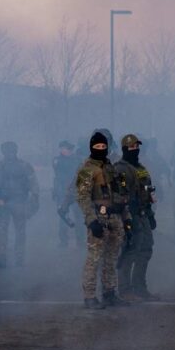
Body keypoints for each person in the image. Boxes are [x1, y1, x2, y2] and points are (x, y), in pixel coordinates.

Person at [76, 131, 131, 309]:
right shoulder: (86, 170)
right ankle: (90, 296)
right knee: (94, 258)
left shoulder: (111, 168)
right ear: (92, 148)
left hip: (115, 217)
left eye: (103, 147)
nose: (101, 149)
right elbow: (83, 197)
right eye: (97, 147)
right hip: (99, 217)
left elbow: (121, 195)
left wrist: (126, 218)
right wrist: (92, 221)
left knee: (111, 258)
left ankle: (109, 293)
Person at [115, 133, 159, 301]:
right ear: (125, 149)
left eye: (137, 147)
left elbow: (147, 191)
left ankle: (139, 287)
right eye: (132, 147)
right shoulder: (120, 168)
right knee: (129, 251)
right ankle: (124, 290)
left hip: (142, 214)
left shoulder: (140, 168)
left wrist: (150, 213)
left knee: (146, 249)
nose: (135, 150)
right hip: (129, 214)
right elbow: (120, 193)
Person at [0, 141, 39, 268]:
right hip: (12, 203)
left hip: (11, 203)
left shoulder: (0, 166)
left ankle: (5, 257)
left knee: (4, 232)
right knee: (14, 232)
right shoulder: (23, 165)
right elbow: (34, 186)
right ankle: (14, 259)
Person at [53, 141, 85, 248]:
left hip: (76, 192)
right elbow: (58, 175)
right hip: (62, 192)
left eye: (65, 148)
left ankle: (80, 241)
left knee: (79, 218)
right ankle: (63, 242)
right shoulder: (57, 160)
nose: (63, 150)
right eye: (62, 148)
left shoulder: (77, 160)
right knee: (63, 218)